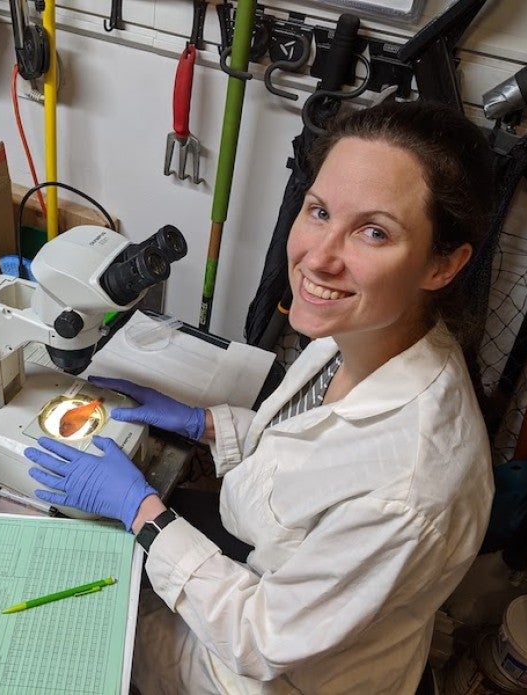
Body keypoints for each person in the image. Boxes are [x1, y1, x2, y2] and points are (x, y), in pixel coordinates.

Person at [25, 99, 496, 694]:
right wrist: (204, 423)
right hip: (271, 579)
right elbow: (309, 462)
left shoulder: (410, 490)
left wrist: (141, 512)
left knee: (68, 619)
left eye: (373, 232)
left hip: (264, 671)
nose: (319, 258)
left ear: (443, 265)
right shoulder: (364, 330)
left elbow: (263, 640)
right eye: (319, 211)